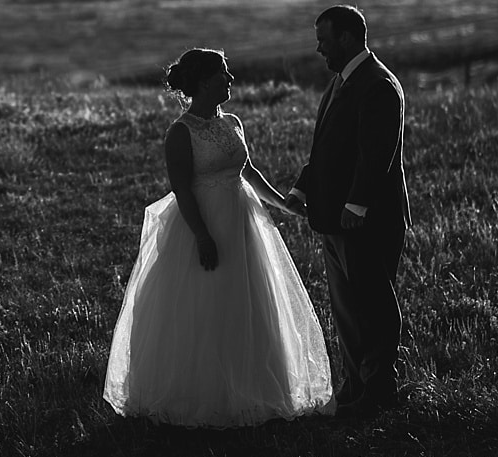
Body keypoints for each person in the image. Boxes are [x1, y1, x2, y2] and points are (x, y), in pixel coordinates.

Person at [104, 48, 335, 427]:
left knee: (250, 299)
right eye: (224, 74)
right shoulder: (181, 132)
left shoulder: (232, 122)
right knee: (205, 302)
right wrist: (202, 236)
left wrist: (282, 204)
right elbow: (182, 189)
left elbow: (246, 171)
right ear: (206, 81)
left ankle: (253, 386)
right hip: (204, 222)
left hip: (242, 221)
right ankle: (204, 394)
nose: (230, 80)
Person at [283, 5, 410, 417]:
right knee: (347, 310)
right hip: (334, 218)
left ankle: (378, 391)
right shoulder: (341, 81)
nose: (319, 49)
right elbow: (329, 150)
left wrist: (357, 205)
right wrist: (303, 188)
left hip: (365, 220)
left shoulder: (378, 85)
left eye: (324, 40)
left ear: (348, 37)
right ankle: (355, 387)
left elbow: (375, 156)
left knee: (372, 304)